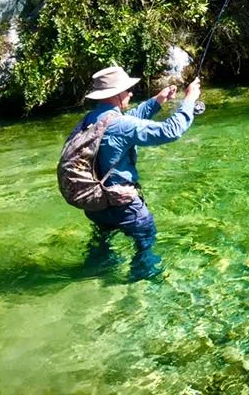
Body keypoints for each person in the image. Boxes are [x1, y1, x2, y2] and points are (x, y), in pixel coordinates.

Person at [77, 65, 201, 281]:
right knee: (146, 238)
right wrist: (189, 99)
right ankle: (143, 281)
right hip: (123, 205)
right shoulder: (121, 125)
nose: (131, 93)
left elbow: (126, 120)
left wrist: (158, 100)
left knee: (103, 239)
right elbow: (170, 131)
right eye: (127, 90)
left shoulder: (90, 120)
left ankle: (96, 272)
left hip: (95, 204)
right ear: (116, 95)